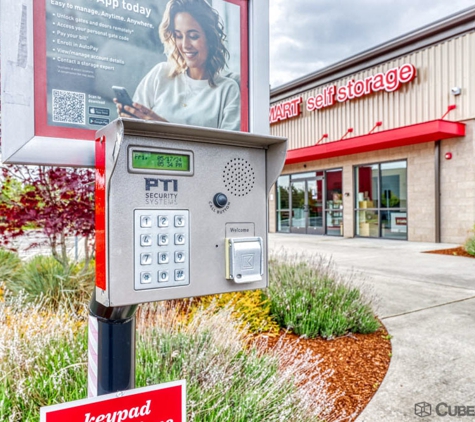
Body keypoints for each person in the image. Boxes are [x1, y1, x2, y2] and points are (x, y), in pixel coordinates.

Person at [116, 0, 240, 131]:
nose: (185, 45)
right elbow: (134, 133)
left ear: (210, 38)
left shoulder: (228, 90)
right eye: (178, 36)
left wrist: (164, 127)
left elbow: (229, 149)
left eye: (193, 36)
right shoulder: (160, 74)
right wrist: (128, 119)